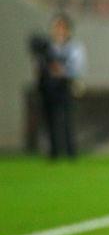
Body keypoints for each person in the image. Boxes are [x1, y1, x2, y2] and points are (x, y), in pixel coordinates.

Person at [30, 13, 86, 159]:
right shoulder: (46, 47)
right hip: (48, 87)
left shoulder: (74, 48)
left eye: (62, 28)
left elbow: (77, 67)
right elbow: (38, 68)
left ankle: (70, 151)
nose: (59, 31)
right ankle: (53, 152)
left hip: (65, 86)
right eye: (57, 27)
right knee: (49, 119)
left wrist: (62, 71)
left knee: (67, 119)